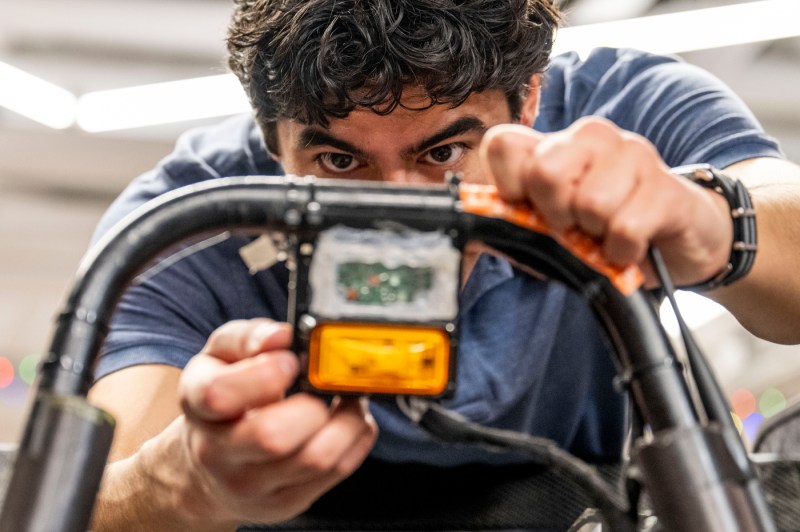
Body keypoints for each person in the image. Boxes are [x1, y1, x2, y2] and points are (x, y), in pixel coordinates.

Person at [85, 0, 800, 529]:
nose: (400, 218)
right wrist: (185, 482)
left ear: (530, 102)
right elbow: (86, 502)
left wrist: (707, 222)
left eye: (444, 153)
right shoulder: (188, 220)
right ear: (271, 143)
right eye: (340, 161)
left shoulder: (627, 110)